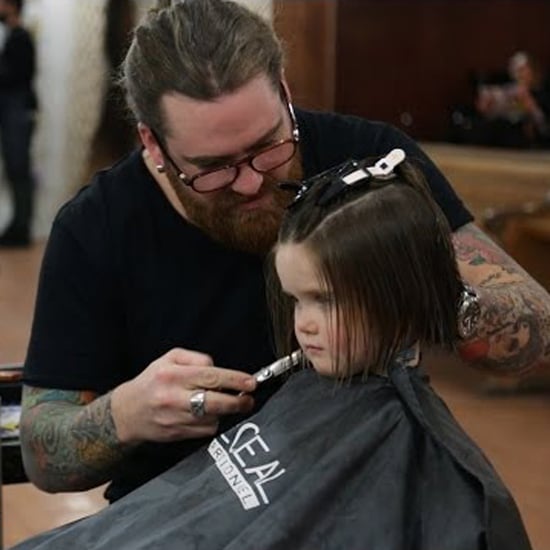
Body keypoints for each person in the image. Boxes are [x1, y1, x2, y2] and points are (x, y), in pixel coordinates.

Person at [19, 0, 550, 504]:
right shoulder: (96, 230)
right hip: (183, 516)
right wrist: (126, 414)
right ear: (153, 145)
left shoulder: (374, 162)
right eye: (213, 167)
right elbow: (43, 453)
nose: (250, 183)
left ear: (285, 93)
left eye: (267, 147)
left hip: (364, 492)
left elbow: (537, 330)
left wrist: (421, 294)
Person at [11, 151, 532, 550]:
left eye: (323, 301)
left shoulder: (418, 456)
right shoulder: (309, 390)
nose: (302, 325)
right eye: (295, 300)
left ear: (398, 290)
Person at [0, 0, 37, 247]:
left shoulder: (21, 36)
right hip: (13, 111)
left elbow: (19, 75)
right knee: (15, 170)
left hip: (17, 112)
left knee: (19, 168)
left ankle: (21, 228)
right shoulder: (14, 35)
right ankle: (17, 225)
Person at [473, 51, 550, 147]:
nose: (518, 74)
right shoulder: (508, 90)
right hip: (503, 133)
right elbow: (491, 113)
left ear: (532, 70)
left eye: (522, 69)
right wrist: (488, 106)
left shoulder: (542, 91)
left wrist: (529, 104)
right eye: (515, 70)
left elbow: (543, 124)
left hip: (532, 138)